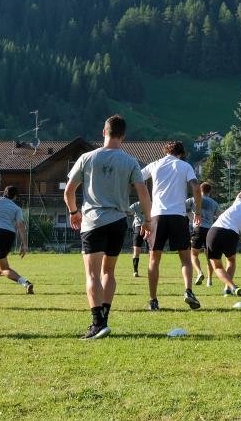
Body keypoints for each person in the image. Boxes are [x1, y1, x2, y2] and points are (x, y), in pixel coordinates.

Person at [64, 113, 151, 339]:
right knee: (109, 272)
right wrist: (148, 220)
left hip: (93, 222)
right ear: (123, 136)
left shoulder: (87, 158)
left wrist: (74, 212)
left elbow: (69, 191)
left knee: (92, 274)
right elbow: (143, 193)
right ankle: (104, 319)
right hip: (118, 222)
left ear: (104, 132)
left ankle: (97, 323)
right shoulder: (130, 161)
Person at [141, 141, 202, 311]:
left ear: (165, 151)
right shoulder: (185, 166)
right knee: (185, 258)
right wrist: (197, 211)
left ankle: (153, 301)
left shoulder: (155, 164)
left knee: (154, 260)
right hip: (178, 215)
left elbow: (136, 180)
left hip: (157, 216)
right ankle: (188, 291)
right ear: (181, 154)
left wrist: (145, 212)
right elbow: (196, 188)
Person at [205, 182, 241, 296]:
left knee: (217, 266)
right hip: (231, 235)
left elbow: (240, 195)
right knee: (231, 260)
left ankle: (232, 287)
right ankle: (228, 288)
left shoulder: (239, 204)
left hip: (214, 232)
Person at [0, 186, 33, 295]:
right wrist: (25, 244)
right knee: (0, 261)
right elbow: (21, 225)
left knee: (4, 268)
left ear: (4, 193)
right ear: (15, 196)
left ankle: (26, 283)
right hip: (9, 235)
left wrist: (5, 192)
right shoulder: (17, 208)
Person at [186, 182, 220, 285]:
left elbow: (181, 206)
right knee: (209, 256)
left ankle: (199, 272)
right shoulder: (214, 203)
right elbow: (220, 216)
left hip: (198, 229)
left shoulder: (193, 199)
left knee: (194, 254)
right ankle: (209, 280)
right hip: (210, 231)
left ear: (200, 189)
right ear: (210, 191)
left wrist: (189, 215)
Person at [128, 199, 148, 278]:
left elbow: (128, 212)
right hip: (144, 227)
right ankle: (136, 271)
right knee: (151, 252)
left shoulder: (136, 204)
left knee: (137, 251)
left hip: (141, 227)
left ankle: (135, 271)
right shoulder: (150, 204)